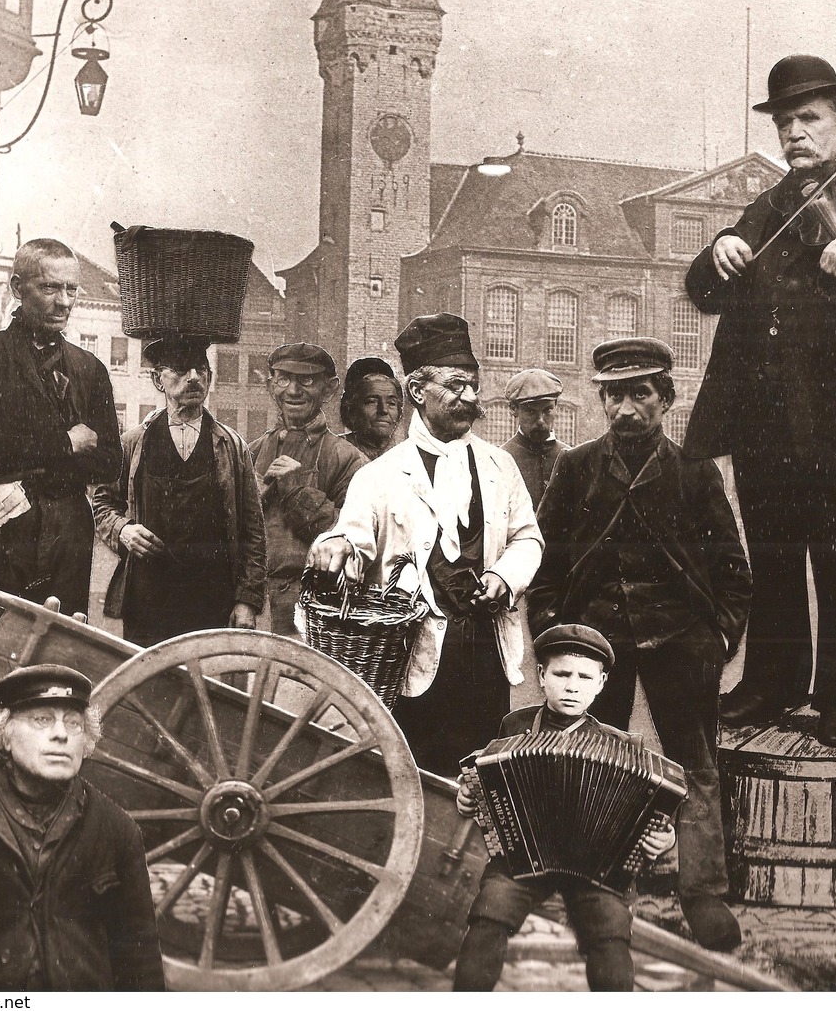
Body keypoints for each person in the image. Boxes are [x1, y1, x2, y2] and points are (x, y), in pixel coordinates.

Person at [684, 54, 836, 747]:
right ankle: (770, 682)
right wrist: (719, 247)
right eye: (784, 121)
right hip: (762, 419)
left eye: (808, 119)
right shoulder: (768, 206)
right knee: (773, 559)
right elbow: (705, 294)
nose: (794, 133)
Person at [528, 338, 753, 952]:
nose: (626, 409)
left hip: (681, 641)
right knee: (597, 764)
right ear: (600, 400)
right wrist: (554, 638)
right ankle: (599, 888)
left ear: (666, 400)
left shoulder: (694, 469)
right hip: (596, 645)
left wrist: (719, 636)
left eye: (640, 394)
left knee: (697, 767)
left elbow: (733, 568)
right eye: (614, 395)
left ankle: (702, 894)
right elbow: (545, 563)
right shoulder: (575, 469)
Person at [308, 314, 543, 774]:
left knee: (483, 778)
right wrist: (334, 546)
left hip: (485, 655)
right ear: (418, 392)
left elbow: (527, 538)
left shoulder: (499, 466)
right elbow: (353, 540)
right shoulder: (379, 476)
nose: (470, 398)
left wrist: (502, 575)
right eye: (456, 386)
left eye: (473, 386)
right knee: (417, 774)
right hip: (412, 657)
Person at [452, 624, 677, 991]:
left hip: (596, 869)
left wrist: (663, 839)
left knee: (610, 933)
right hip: (522, 859)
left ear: (601, 682)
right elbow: (486, 784)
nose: (572, 686)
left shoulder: (621, 744)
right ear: (542, 676)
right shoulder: (515, 725)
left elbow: (653, 812)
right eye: (562, 674)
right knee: (490, 914)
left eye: (585, 677)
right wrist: (469, 797)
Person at [0, 664, 164, 990]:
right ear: (4, 736)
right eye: (42, 719)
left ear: (86, 743)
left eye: (73, 723)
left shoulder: (117, 830)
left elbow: (140, 958)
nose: (61, 734)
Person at [0, 238, 124, 640]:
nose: (64, 301)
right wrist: (66, 443)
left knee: (59, 663)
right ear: (17, 288)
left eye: (71, 289)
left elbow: (109, 461)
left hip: (67, 537)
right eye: (50, 288)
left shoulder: (91, 370)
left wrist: (22, 450)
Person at [93, 336, 265, 645]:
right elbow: (103, 503)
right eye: (182, 370)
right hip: (148, 598)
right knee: (152, 686)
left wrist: (247, 600)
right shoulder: (133, 443)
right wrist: (123, 531)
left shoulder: (232, 447)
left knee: (210, 688)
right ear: (157, 379)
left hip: (213, 598)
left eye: (201, 369)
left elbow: (253, 530)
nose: (195, 378)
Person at [249, 342, 367, 637]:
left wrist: (295, 490)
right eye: (283, 379)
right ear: (270, 385)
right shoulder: (250, 452)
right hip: (253, 608)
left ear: (329, 389)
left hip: (315, 612)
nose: (293, 391)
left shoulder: (347, 458)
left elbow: (355, 535)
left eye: (307, 380)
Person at [500, 367, 566, 507]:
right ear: (513, 409)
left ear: (556, 407)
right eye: (530, 411)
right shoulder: (501, 459)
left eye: (547, 410)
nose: (541, 420)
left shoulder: (571, 457)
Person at [339, 355, 404, 461]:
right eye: (371, 402)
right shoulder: (333, 453)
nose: (383, 410)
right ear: (351, 409)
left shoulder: (409, 455)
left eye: (391, 403)